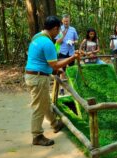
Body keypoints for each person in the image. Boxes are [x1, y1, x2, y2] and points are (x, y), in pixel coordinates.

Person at [25, 16, 81, 146]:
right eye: (58, 30)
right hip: (38, 77)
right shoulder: (48, 43)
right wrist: (73, 57)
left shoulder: (37, 37)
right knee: (39, 107)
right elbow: (55, 65)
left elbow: (43, 61)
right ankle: (37, 135)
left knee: (45, 102)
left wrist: (55, 70)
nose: (59, 33)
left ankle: (55, 124)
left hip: (33, 75)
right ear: (55, 28)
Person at [55, 14, 79, 95]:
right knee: (62, 71)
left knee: (72, 70)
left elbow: (76, 40)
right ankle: (61, 89)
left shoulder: (73, 29)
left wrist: (73, 42)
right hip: (63, 52)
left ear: (69, 21)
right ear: (62, 21)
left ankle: (74, 88)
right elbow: (57, 42)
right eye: (64, 21)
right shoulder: (59, 29)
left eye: (67, 21)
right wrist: (63, 36)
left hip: (71, 52)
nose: (66, 23)